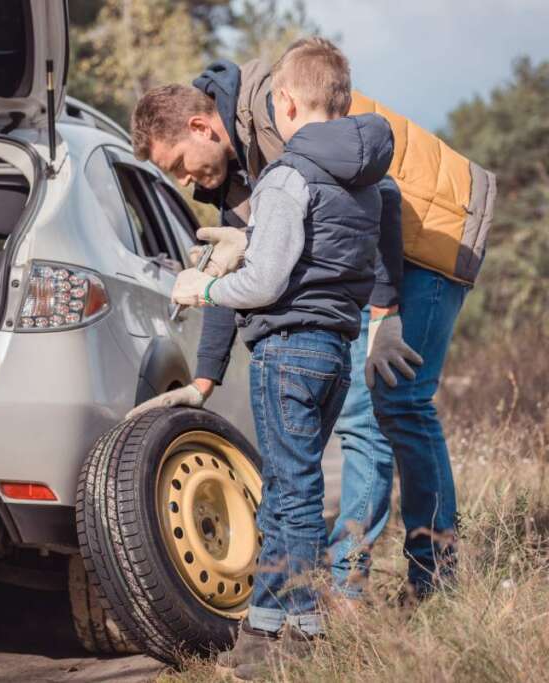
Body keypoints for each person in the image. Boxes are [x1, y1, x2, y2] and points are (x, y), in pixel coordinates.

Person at [128, 40, 496, 602]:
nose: (182, 180)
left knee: (399, 401)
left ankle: (435, 579)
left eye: (178, 164)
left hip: (435, 230)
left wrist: (385, 314)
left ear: (203, 126)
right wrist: (204, 380)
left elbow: (380, 198)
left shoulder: (275, 119)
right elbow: (243, 278)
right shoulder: (235, 175)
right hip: (381, 246)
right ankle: (349, 583)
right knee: (365, 413)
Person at [162, 39, 392, 678]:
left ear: (285, 101)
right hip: (332, 352)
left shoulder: (287, 177)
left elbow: (262, 284)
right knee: (291, 490)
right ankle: (272, 627)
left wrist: (202, 286)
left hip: (285, 349)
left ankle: (288, 634)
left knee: (290, 493)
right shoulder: (366, 180)